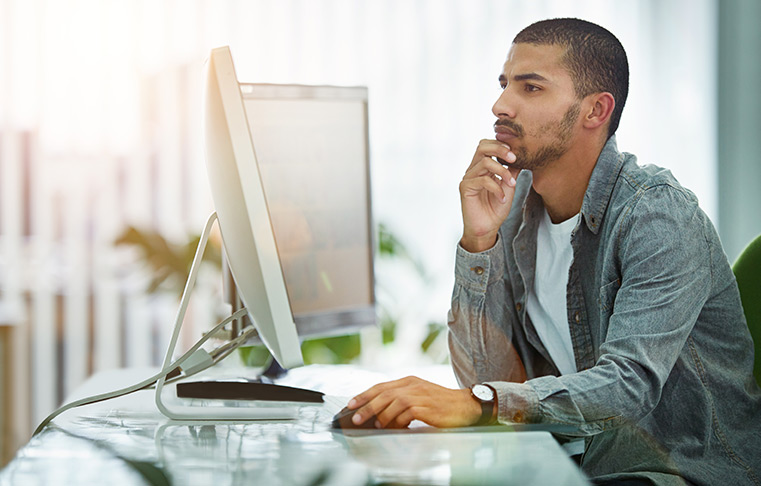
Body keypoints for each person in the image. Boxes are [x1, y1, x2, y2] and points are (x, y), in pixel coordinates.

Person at [346, 18, 761, 485]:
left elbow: (630, 383)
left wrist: (479, 404)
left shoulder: (657, 216)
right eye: (505, 84)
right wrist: (479, 241)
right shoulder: (517, 205)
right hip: (580, 462)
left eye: (531, 88)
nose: (500, 104)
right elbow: (484, 376)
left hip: (676, 472)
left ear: (595, 110)